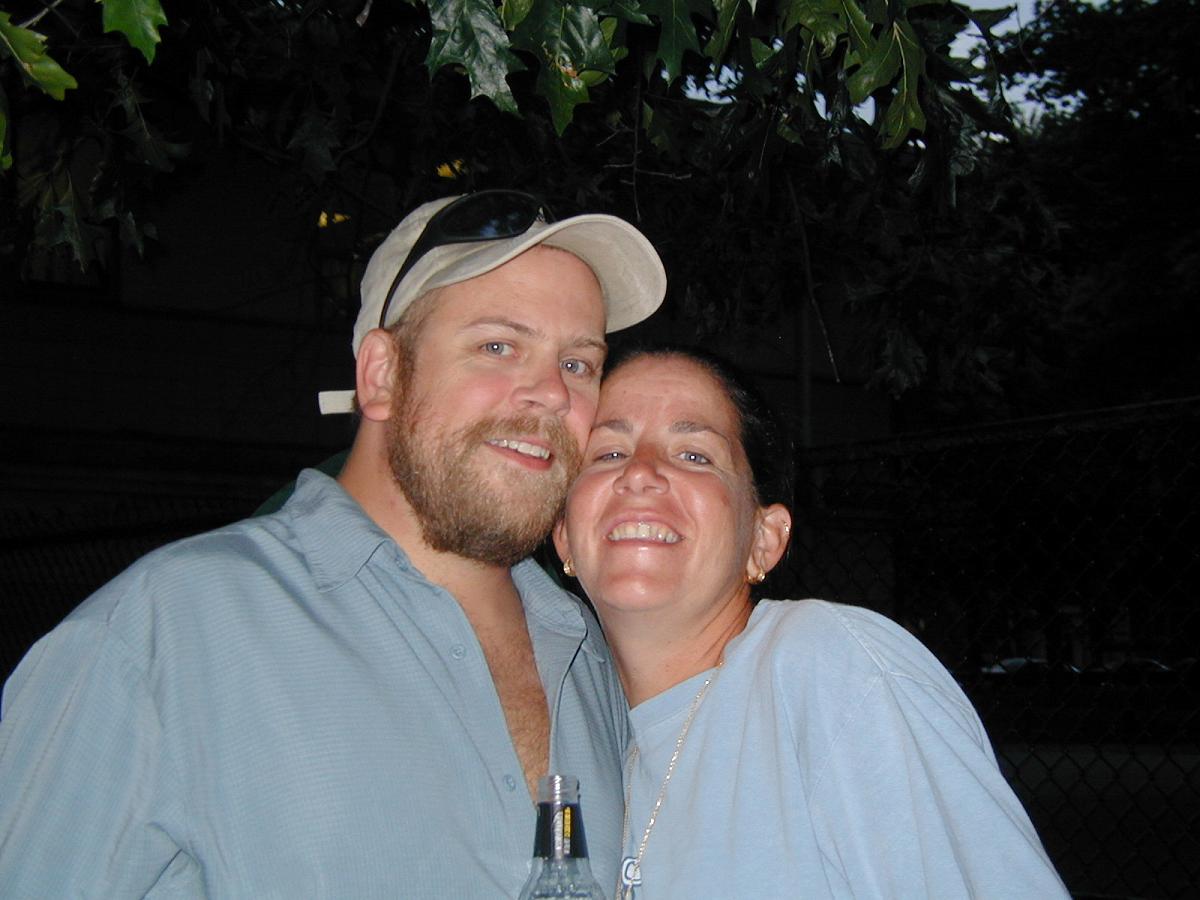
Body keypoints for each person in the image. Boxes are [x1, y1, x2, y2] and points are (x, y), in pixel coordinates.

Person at [0, 190, 666, 897]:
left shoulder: (594, 654)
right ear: (381, 375)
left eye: (578, 364)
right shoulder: (166, 631)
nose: (553, 395)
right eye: (497, 346)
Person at [552, 347, 1071, 899]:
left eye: (695, 455)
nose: (639, 473)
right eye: (608, 452)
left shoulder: (827, 666)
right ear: (564, 538)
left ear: (764, 540)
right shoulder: (583, 743)